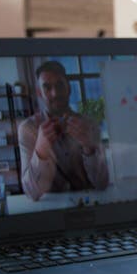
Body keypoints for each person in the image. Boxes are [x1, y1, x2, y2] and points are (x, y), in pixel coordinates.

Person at [18, 60, 109, 201]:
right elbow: (32, 193)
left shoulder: (90, 125)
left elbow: (102, 184)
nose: (55, 93)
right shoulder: (28, 129)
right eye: (47, 88)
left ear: (69, 88)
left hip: (88, 206)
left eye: (60, 85)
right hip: (50, 210)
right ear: (39, 93)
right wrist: (41, 150)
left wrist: (89, 148)